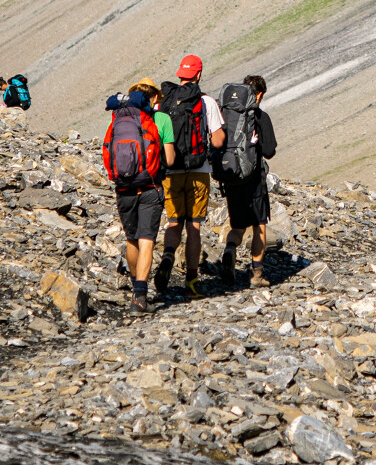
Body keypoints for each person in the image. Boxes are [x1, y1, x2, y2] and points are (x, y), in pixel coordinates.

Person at [154, 55, 223, 297]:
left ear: (179, 73)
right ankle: (191, 283)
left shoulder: (163, 102)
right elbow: (218, 139)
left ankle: (168, 256)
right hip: (198, 172)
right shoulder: (206, 102)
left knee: (174, 223)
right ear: (199, 75)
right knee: (194, 226)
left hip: (170, 173)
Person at [100, 80, 166, 311]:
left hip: (124, 188)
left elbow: (107, 153)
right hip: (149, 187)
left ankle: (133, 285)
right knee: (146, 239)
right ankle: (140, 296)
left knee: (131, 238)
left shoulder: (116, 122)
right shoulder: (150, 120)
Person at [217, 74, 277, 288]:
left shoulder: (226, 115)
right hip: (254, 180)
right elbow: (269, 151)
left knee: (238, 225)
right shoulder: (260, 117)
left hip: (231, 176)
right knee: (259, 226)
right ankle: (256, 275)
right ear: (258, 94)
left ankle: (230, 251)